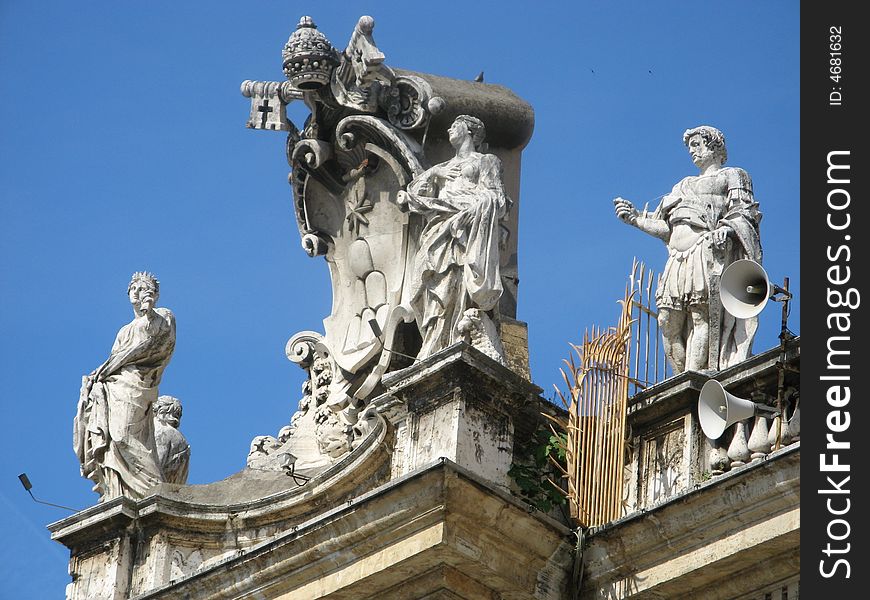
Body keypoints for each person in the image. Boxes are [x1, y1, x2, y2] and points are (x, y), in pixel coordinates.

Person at [613, 126, 762, 372]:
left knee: (699, 316)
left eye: (696, 144)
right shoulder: (682, 185)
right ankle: (681, 375)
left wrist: (728, 228)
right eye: (690, 146)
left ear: (714, 145)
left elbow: (745, 212)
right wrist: (636, 219)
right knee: (666, 320)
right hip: (677, 257)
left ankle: (693, 377)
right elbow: (667, 228)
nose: (692, 150)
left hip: (704, 251)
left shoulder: (733, 175)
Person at [397, 115, 509, 359]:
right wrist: (435, 172)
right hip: (440, 227)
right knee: (432, 284)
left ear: (469, 131)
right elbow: (415, 195)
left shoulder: (486, 161)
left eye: (454, 125)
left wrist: (470, 209)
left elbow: (497, 200)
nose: (449, 128)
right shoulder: (443, 168)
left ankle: (454, 340)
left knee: (454, 284)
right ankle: (434, 341)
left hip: (466, 233)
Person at [74, 272, 176, 500]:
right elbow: (114, 360)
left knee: (123, 436)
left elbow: (159, 344)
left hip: (137, 385)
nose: (139, 293)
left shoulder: (163, 315)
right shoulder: (124, 330)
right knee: (113, 439)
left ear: (156, 294)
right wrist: (97, 377)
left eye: (145, 288)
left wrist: (149, 315)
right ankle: (118, 491)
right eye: (134, 289)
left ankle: (154, 489)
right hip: (115, 386)